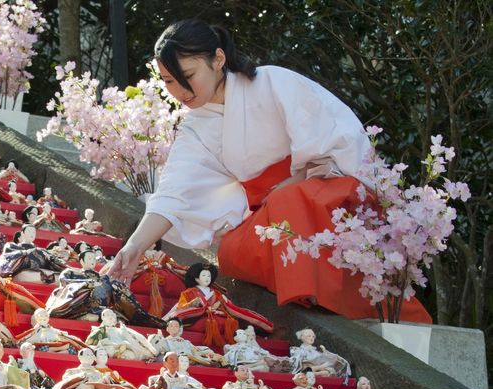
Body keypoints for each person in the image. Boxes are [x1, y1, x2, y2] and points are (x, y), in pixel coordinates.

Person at [102, 19, 430, 323]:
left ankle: (327, 298)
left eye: (188, 75)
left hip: (330, 190)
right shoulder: (196, 129)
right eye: (169, 81)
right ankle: (306, 294)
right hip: (276, 207)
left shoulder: (272, 81)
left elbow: (333, 141)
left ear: (218, 59)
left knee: (289, 204)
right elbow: (174, 195)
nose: (180, 90)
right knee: (232, 251)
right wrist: (134, 248)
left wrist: (295, 179)